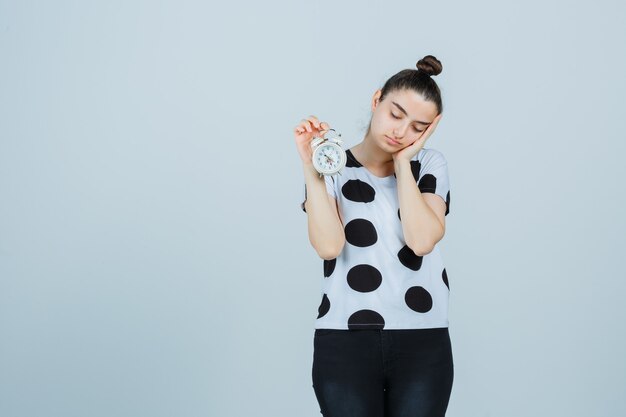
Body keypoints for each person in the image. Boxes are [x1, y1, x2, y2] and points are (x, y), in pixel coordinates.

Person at [293, 55, 454, 417]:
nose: (401, 132)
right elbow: (328, 246)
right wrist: (310, 167)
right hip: (345, 340)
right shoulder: (330, 167)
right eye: (396, 114)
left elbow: (422, 240)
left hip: (423, 338)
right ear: (376, 100)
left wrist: (402, 163)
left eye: (418, 127)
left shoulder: (429, 165)